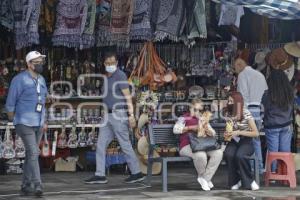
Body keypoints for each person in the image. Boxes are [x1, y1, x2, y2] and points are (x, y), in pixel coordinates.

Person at [85, 51, 144, 184]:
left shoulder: (120, 75)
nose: (110, 65)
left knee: (125, 144)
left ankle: (137, 172)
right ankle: (100, 174)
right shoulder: (106, 77)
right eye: (107, 63)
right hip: (107, 115)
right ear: (104, 63)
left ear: (117, 63)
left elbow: (128, 97)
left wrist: (131, 115)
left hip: (119, 114)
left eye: (112, 62)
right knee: (100, 144)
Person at [5, 51, 48, 197]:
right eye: (37, 62)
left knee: (31, 154)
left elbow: (43, 100)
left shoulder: (41, 79)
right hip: (24, 122)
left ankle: (25, 185)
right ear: (29, 64)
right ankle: (37, 184)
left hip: (38, 122)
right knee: (34, 152)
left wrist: (44, 120)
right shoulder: (19, 79)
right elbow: (10, 101)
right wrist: (13, 120)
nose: (40, 64)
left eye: (41, 61)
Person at [177, 99, 223, 191]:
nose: (197, 112)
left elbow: (213, 133)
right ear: (190, 108)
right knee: (200, 155)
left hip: (203, 145)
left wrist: (208, 129)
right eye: (195, 109)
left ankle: (205, 179)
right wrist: (191, 128)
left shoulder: (202, 119)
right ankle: (205, 179)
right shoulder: (183, 118)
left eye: (199, 110)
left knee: (218, 153)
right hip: (187, 145)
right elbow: (176, 129)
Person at [234, 57, 268, 174]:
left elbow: (242, 96)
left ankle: (253, 168)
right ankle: (259, 167)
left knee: (249, 141)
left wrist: (240, 115)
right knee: (256, 139)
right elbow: (265, 94)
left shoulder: (242, 75)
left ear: (238, 66)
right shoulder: (260, 75)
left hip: (250, 110)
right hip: (260, 110)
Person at [223, 92, 260, 191]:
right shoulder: (228, 113)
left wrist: (239, 132)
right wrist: (227, 134)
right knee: (228, 154)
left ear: (237, 102)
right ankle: (235, 181)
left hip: (246, 141)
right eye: (228, 101)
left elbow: (256, 133)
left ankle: (249, 180)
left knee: (240, 155)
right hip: (234, 141)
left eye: (231, 101)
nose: (229, 103)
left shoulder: (246, 113)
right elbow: (229, 128)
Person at [262, 69, 294, 172]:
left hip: (272, 126)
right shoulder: (289, 93)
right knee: (285, 151)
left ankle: (273, 173)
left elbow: (264, 109)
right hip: (286, 125)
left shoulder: (268, 94)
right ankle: (285, 172)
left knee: (273, 152)